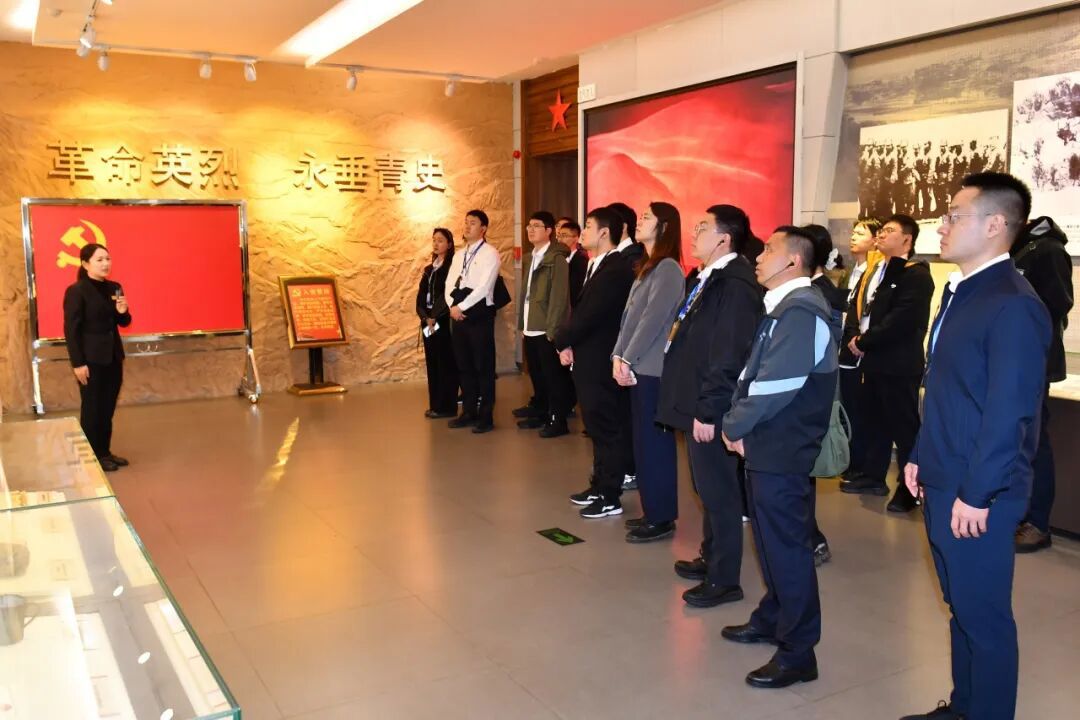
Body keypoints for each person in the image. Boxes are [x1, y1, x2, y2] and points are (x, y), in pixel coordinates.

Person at [900, 172, 1050, 720]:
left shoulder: (1012, 303)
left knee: (983, 618)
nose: (941, 226)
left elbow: (1010, 412)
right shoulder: (964, 292)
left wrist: (979, 493)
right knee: (960, 606)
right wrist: (920, 454)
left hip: (979, 490)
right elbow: (946, 388)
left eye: (953, 216)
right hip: (946, 473)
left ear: (994, 225)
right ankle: (964, 706)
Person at [720, 226, 839, 689]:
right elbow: (755, 375)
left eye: (769, 249)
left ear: (793, 261)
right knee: (771, 543)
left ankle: (798, 652)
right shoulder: (783, 307)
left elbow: (775, 386)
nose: (759, 255)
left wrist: (734, 425)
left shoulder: (801, 312)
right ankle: (773, 617)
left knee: (787, 549)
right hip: (767, 444)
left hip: (782, 448)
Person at [657, 205, 762, 606]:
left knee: (719, 493)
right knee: (705, 488)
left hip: (710, 405)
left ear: (724, 238)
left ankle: (724, 579)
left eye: (703, 227)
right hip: (695, 398)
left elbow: (728, 353)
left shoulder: (735, 285)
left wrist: (709, 409)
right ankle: (711, 555)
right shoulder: (708, 277)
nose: (694, 233)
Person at [841, 214, 934, 514]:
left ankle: (909, 490)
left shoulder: (915, 274)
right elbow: (857, 309)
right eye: (881, 230)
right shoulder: (875, 270)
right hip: (871, 361)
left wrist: (865, 341)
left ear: (907, 239)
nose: (881, 234)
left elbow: (901, 320)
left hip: (898, 364)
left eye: (889, 231)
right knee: (874, 421)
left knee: (903, 427)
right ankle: (872, 476)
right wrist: (854, 338)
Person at [611, 202, 686, 543]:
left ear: (664, 227)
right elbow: (628, 319)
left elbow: (652, 320)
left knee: (655, 444)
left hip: (652, 369)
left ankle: (662, 516)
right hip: (637, 365)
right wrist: (618, 355)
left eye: (646, 218)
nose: (639, 222)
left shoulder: (668, 268)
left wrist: (627, 358)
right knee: (642, 443)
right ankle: (651, 509)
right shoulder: (648, 266)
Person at [554, 207, 634, 518]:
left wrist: (561, 339)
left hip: (601, 360)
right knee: (596, 428)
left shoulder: (616, 269)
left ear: (604, 233)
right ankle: (599, 485)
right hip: (588, 357)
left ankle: (610, 495)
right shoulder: (596, 264)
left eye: (588, 226)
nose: (583, 231)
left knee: (607, 428)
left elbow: (590, 315)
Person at [1010, 215, 1073, 553]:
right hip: (1011, 361)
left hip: (1032, 361)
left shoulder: (1047, 250)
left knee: (1033, 443)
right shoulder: (1018, 249)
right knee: (1014, 441)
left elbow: (1057, 304)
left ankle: (1037, 523)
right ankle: (1016, 514)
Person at [802, 224, 849, 567]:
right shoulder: (813, 290)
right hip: (808, 395)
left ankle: (812, 539)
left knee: (802, 475)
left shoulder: (819, 293)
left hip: (810, 396)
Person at [63, 243, 131, 472]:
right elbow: (71, 330)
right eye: (99, 260)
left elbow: (123, 322)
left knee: (107, 407)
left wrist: (123, 312)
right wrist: (78, 363)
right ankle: (92, 457)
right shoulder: (77, 291)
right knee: (92, 408)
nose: (105, 264)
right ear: (85, 264)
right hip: (90, 359)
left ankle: (104, 451)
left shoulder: (115, 287)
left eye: (107, 259)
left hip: (113, 356)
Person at [515, 211, 572, 438]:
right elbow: (525, 294)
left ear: (549, 231)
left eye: (536, 225)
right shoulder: (530, 257)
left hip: (546, 329)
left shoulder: (557, 259)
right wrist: (522, 324)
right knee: (537, 374)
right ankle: (542, 414)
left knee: (553, 377)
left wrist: (552, 330)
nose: (530, 229)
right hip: (531, 326)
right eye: (529, 225)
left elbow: (559, 298)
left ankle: (558, 420)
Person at [445, 209, 501, 434]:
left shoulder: (490, 253)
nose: (467, 226)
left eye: (473, 223)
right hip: (457, 313)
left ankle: (486, 415)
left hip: (479, 314)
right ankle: (468, 411)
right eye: (466, 222)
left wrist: (462, 307)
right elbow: (449, 283)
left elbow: (484, 287)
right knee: (464, 365)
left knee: (483, 367)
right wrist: (452, 307)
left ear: (483, 228)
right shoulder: (459, 254)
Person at [837, 219, 882, 487]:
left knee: (860, 410)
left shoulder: (875, 272)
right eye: (853, 232)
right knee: (848, 406)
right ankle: (850, 460)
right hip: (844, 348)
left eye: (861, 233)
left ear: (875, 240)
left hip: (861, 350)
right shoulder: (850, 271)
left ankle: (861, 464)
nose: (853, 237)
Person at [416, 228, 458, 418]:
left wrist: (434, 316)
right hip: (428, 323)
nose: (436, 243)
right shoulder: (429, 269)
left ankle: (447, 406)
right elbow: (420, 296)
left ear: (449, 244)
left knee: (445, 362)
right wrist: (425, 317)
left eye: (440, 240)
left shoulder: (451, 268)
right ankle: (435, 405)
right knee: (432, 362)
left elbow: (447, 295)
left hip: (442, 320)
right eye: (434, 240)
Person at [557, 217, 589, 309]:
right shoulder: (558, 258)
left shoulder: (581, 260)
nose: (560, 239)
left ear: (576, 238)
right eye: (559, 235)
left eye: (564, 236)